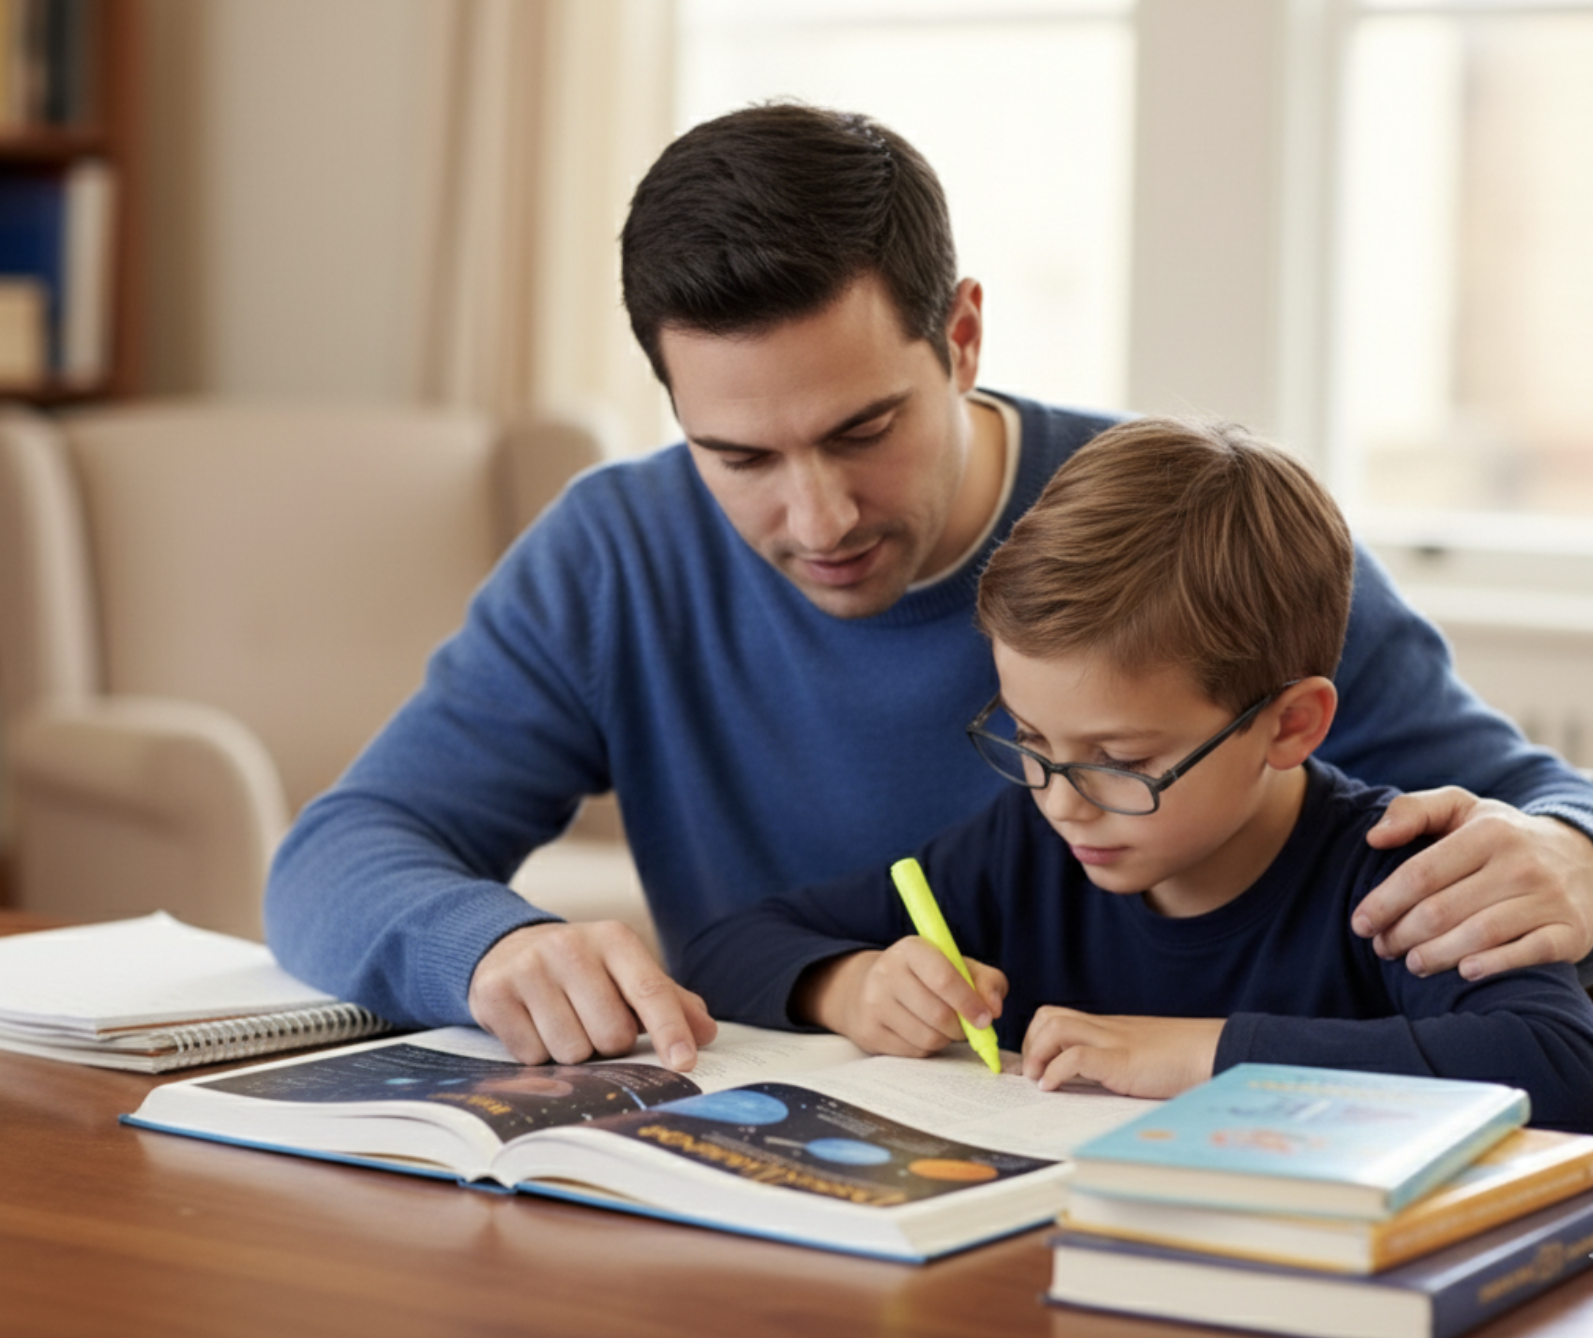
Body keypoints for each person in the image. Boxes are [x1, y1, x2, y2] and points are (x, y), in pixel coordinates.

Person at [264, 102, 1593, 1075]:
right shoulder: (618, 551)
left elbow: (1542, 808)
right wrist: (489, 945)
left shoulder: (1169, 535)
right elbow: (338, 855)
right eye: (737, 454)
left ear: (959, 336)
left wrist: (1569, 853)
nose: (818, 517)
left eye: (860, 431)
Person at [677, 418, 1593, 1130]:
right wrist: (852, 985)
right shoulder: (1024, 849)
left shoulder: (1402, 878)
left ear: (1289, 725)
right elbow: (728, 945)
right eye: (1029, 736)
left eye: (1122, 762)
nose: (1061, 800)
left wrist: (1200, 1057)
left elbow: (1561, 1063)